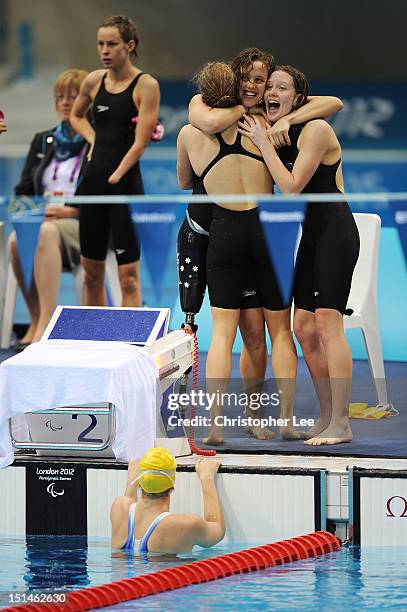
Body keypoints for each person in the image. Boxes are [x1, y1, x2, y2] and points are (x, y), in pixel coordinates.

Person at [181, 50, 344, 444]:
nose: (258, 87)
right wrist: (280, 119)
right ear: (237, 83)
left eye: (264, 81)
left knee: (223, 334)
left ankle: (216, 423)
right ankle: (282, 419)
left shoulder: (192, 132)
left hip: (224, 232)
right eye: (252, 81)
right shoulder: (265, 126)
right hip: (268, 232)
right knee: (279, 332)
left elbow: (185, 180)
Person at [238, 65, 360, 445]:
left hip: (336, 234)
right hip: (312, 237)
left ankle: (342, 421)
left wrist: (264, 143)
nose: (271, 91)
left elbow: (290, 188)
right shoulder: (281, 130)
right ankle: (327, 417)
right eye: (268, 86)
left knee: (327, 324)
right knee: (303, 329)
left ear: (298, 98)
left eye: (282, 87)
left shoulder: (316, 130)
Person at [71, 15, 160, 306]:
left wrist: (118, 173)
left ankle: (129, 345)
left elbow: (140, 143)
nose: (105, 50)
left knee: (129, 279)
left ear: (129, 45)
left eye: (112, 44)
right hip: (93, 185)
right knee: (91, 276)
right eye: (100, 44)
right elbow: (75, 114)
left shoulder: (145, 85)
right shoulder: (94, 81)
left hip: (125, 188)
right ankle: (95, 343)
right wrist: (93, 138)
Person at [9, 69, 88, 346]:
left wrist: (72, 211)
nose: (66, 102)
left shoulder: (96, 143)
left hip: (82, 224)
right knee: (15, 240)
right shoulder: (43, 140)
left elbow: (106, 195)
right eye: (60, 97)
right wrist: (35, 209)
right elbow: (22, 191)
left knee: (44, 233)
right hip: (46, 220)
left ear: (86, 101)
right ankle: (37, 316)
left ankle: (47, 323)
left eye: (73, 96)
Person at [110, 448, 224, 554]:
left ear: (140, 482)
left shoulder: (119, 507)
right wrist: (207, 479)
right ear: (171, 488)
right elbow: (218, 530)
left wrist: (132, 481)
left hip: (126, 575)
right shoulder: (186, 525)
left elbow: (131, 506)